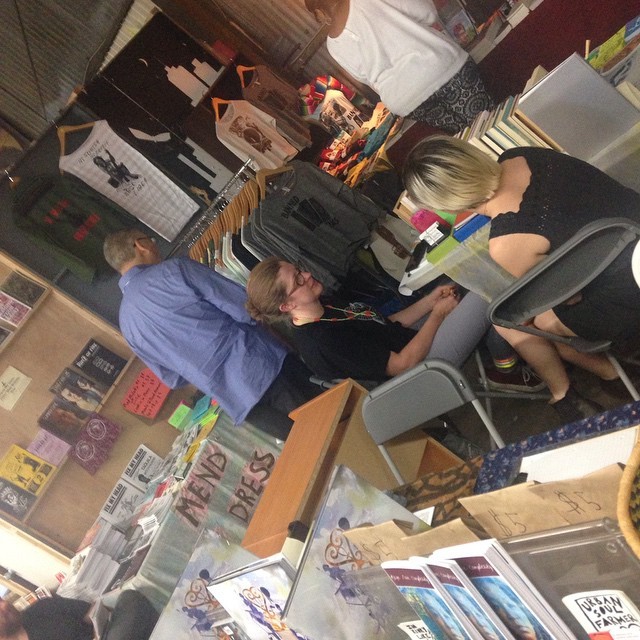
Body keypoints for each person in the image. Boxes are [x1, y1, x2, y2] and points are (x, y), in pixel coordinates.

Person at [402, 135, 640, 422]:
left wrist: (531, 313)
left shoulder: (506, 243)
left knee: (520, 322)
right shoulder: (521, 154)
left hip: (628, 288)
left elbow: (571, 296)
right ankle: (598, 380)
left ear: (445, 204)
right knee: (527, 318)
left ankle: (589, 385)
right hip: (633, 228)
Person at [103, 229, 321, 440]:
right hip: (267, 367)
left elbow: (173, 379)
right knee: (330, 418)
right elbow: (244, 307)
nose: (154, 245)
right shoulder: (174, 271)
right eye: (150, 239)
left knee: (309, 446)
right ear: (140, 245)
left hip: (240, 404)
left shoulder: (127, 325)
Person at [245, 257, 531, 387]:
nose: (307, 275)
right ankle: (507, 365)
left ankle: (504, 360)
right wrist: (437, 314)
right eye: (298, 280)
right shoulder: (323, 341)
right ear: (287, 306)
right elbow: (402, 364)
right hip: (423, 370)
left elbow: (384, 323)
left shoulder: (324, 304)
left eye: (299, 270)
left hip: (411, 344)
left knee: (468, 271)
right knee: (487, 287)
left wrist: (429, 301)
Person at [303, 0, 494, 133]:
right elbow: (427, 12)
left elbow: (366, 79)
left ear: (319, 10)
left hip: (405, 99)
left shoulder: (333, 45)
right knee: (491, 123)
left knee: (469, 137)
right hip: (440, 68)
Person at [0, 591, 158, 640]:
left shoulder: (43, 608)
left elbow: (93, 613)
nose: (5, 605)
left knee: (130, 598)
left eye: (0, 600)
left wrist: (98, 620)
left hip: (106, 636)